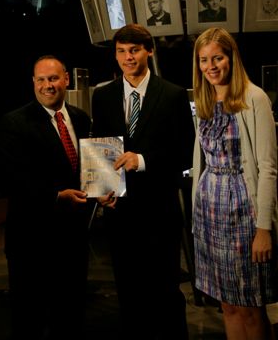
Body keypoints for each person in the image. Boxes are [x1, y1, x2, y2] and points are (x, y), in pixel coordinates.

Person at [91, 24, 195, 339]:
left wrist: (143, 160)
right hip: (120, 213)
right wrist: (101, 190)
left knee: (165, 293)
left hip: (159, 212)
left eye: (134, 50)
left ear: (148, 51)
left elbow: (186, 154)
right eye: (121, 51)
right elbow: (100, 146)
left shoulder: (173, 94)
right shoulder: (103, 95)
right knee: (129, 294)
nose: (128, 57)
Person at [0, 55, 91, 340]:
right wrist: (56, 196)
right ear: (33, 83)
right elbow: (7, 180)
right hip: (31, 244)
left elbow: (88, 172)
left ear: (66, 80)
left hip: (72, 242)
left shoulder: (82, 120)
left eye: (53, 79)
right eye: (41, 80)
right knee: (29, 321)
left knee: (70, 317)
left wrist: (104, 192)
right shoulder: (14, 123)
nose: (48, 86)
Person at [192, 27, 278, 340]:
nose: (210, 66)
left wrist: (264, 228)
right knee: (227, 306)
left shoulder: (255, 98)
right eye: (204, 60)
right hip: (209, 214)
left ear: (232, 58)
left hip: (244, 213)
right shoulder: (203, 99)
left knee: (250, 308)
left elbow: (268, 167)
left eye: (217, 57)